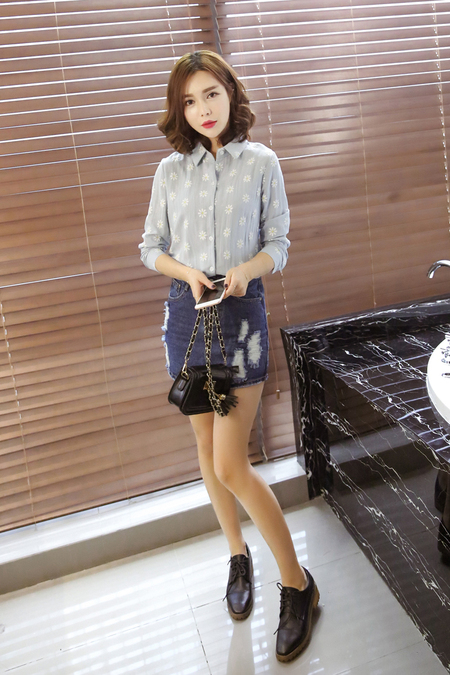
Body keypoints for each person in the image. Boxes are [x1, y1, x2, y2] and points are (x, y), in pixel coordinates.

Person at [139, 50, 319, 662]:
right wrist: (187, 272)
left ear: (231, 94)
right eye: (189, 101)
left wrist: (244, 271)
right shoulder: (170, 172)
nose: (202, 110)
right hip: (187, 313)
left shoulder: (262, 163)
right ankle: (237, 557)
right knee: (205, 453)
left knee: (230, 462)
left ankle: (298, 584)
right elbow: (150, 248)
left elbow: (279, 244)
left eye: (211, 94)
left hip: (241, 314)